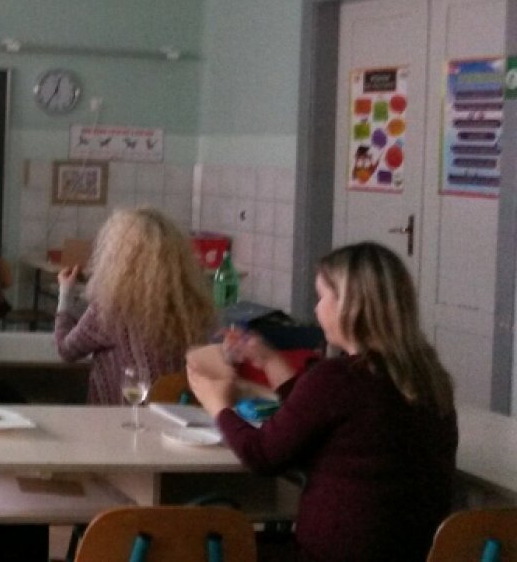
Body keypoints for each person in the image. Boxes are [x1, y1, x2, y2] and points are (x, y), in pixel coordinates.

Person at [187, 241, 457, 562]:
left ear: (350, 305)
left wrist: (218, 405)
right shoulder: (429, 378)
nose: (316, 310)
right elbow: (320, 415)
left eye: (321, 297)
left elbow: (261, 455)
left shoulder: (339, 377)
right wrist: (270, 360)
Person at [54, 206, 215, 404]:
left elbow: (66, 350)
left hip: (121, 413)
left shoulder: (113, 309)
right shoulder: (194, 305)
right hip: (175, 412)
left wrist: (65, 292)